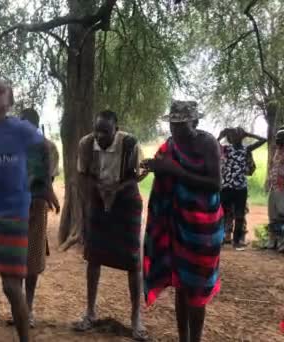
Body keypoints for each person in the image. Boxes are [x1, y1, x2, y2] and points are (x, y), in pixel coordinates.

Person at [0, 80, 59, 342]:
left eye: (1, 90)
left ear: (10, 101)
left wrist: (42, 185)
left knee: (12, 286)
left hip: (14, 216)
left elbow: (43, 151)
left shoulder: (22, 130)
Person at [143, 100, 223, 342]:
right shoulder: (170, 146)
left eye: (182, 125)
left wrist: (175, 171)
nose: (176, 130)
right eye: (173, 125)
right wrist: (156, 167)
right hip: (177, 224)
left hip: (203, 229)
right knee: (181, 284)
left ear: (195, 122)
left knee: (197, 289)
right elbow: (164, 171)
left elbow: (215, 184)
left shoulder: (207, 143)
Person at [73, 110, 148, 340]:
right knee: (93, 257)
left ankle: (136, 320)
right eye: (97, 129)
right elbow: (83, 175)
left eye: (105, 131)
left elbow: (139, 174)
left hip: (126, 203)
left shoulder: (130, 144)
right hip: (98, 200)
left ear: (116, 128)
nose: (99, 135)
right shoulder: (86, 144)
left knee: (133, 261)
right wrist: (94, 199)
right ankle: (90, 312)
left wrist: (116, 190)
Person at [4, 108, 58, 328]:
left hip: (35, 209)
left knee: (32, 262)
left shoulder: (48, 148)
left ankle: (28, 309)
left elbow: (47, 180)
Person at [217, 127, 266, 249]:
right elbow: (212, 145)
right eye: (233, 135)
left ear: (242, 137)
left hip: (240, 188)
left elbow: (263, 140)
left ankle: (237, 241)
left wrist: (249, 134)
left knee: (239, 215)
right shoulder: (226, 149)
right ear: (230, 138)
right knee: (222, 214)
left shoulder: (246, 149)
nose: (236, 137)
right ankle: (221, 238)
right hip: (227, 186)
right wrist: (220, 136)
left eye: (239, 135)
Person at [266, 127, 284, 252]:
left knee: (282, 215)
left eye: (280, 140)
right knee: (273, 216)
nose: (278, 142)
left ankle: (282, 243)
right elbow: (273, 167)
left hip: (282, 188)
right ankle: (273, 241)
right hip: (274, 187)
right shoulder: (277, 151)